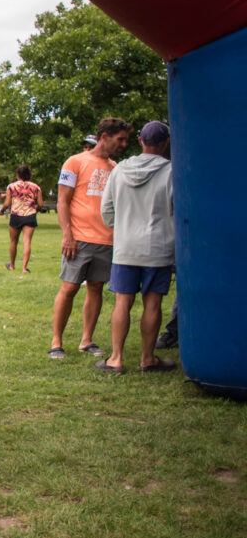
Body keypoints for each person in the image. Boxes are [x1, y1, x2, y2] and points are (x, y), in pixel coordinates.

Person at [97, 121, 176, 374]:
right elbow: (178, 210)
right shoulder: (172, 172)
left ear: (140, 140)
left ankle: (116, 359)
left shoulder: (120, 170)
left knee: (122, 302)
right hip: (158, 247)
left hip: (126, 247)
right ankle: (147, 358)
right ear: (166, 143)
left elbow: (106, 210)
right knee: (152, 303)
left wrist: (122, 228)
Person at [49, 117, 130, 360]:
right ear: (104, 137)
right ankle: (56, 342)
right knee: (70, 287)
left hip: (107, 239)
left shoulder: (115, 168)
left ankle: (87, 340)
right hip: (79, 238)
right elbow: (62, 201)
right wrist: (68, 235)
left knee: (96, 287)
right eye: (120, 139)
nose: (124, 144)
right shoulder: (75, 162)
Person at [1, 165, 43, 273]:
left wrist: (1, 210)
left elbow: (7, 203)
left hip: (16, 215)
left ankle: (12, 265)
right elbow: (41, 204)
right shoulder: (36, 187)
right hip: (30, 215)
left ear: (18, 175)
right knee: (27, 242)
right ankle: (24, 268)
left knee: (13, 241)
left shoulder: (11, 186)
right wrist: (35, 208)